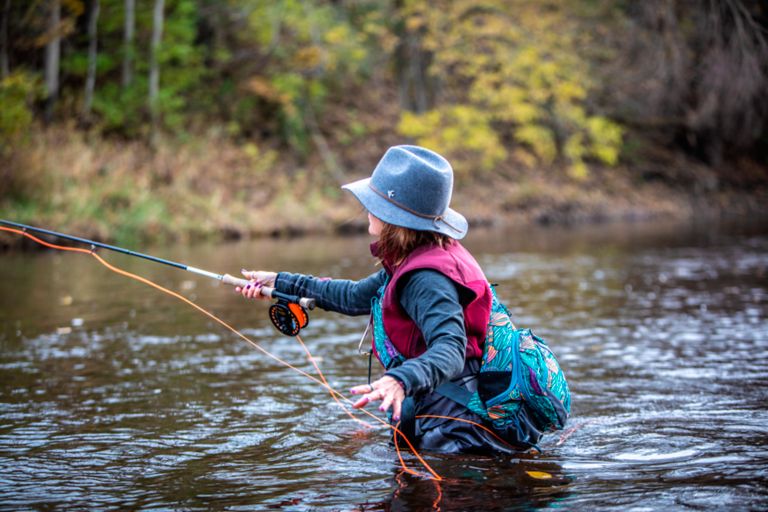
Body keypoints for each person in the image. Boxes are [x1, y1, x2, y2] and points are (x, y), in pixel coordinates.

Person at [237, 145, 516, 454]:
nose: (367, 209)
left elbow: (450, 349)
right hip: (447, 417)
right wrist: (278, 281)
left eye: (373, 202)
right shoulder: (418, 257)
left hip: (456, 433)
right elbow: (353, 296)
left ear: (394, 217)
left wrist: (399, 380)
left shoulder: (426, 279)